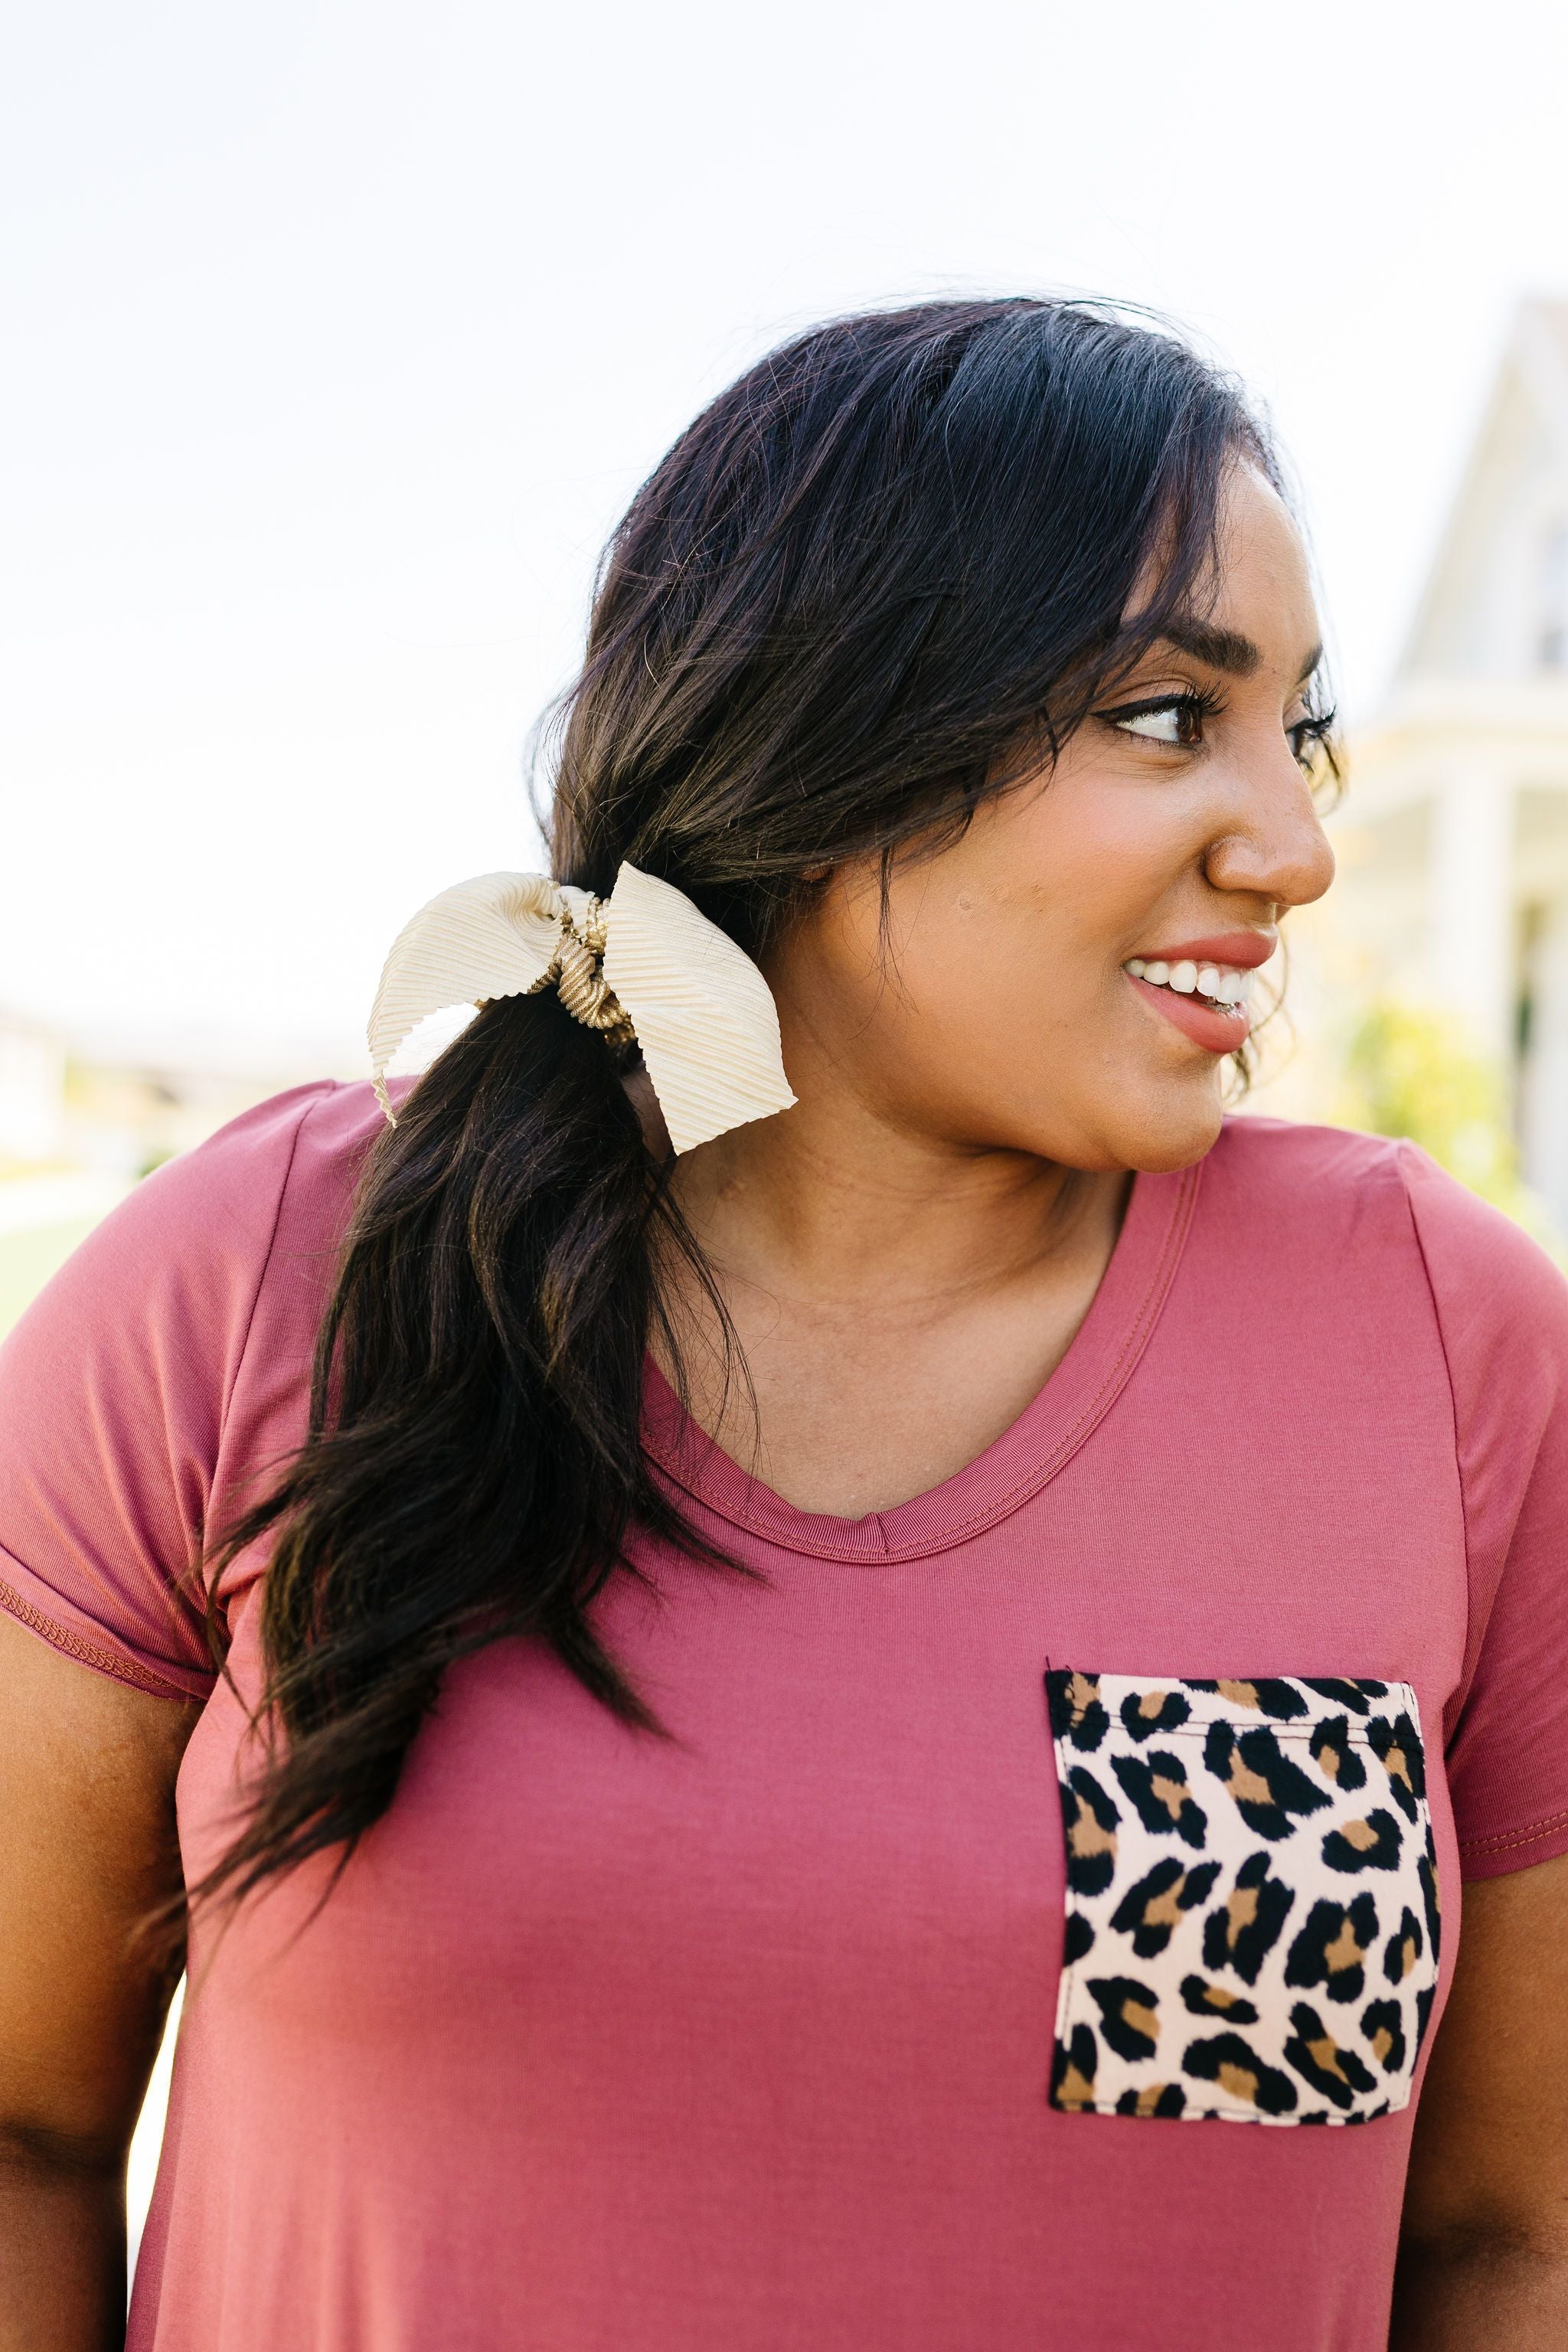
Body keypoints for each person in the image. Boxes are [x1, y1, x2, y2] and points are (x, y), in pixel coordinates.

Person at [2, 299, 1566, 2352]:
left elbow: (1515, 2241)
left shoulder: (1446, 1350)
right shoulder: (253, 1283)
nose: (1294, 850)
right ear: (824, 735)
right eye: (1170, 715)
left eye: (1304, 734)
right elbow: (22, 2125)